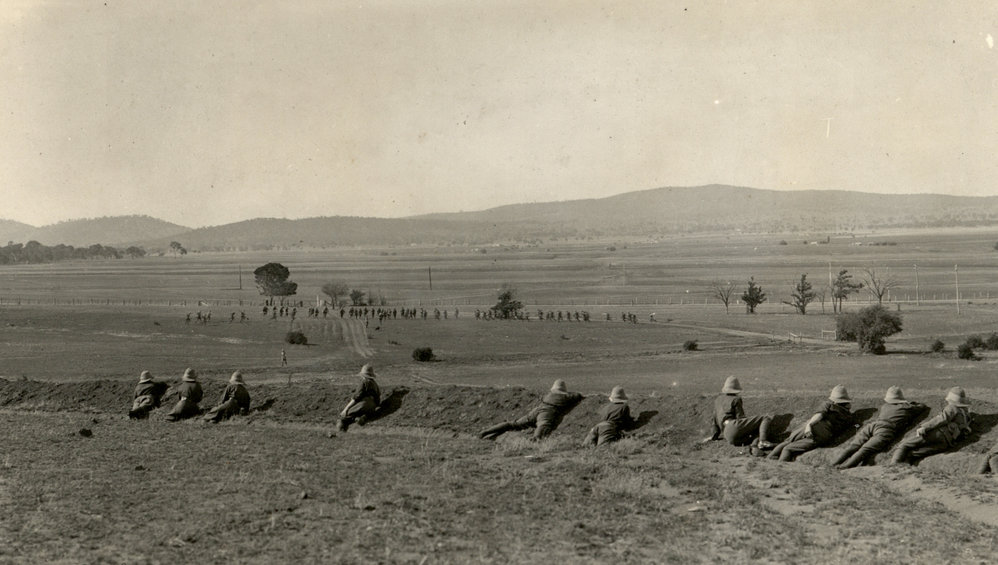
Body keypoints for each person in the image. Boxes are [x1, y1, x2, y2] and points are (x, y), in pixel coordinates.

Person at [830, 386, 926, 469]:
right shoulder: (906, 408)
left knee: (853, 445)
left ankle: (835, 463)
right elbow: (922, 406)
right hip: (886, 428)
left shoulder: (885, 406)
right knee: (866, 449)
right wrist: (910, 403)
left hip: (873, 425)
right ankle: (846, 466)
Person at [769, 385, 852, 462]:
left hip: (813, 429)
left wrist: (809, 425)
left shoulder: (828, 405)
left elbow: (819, 415)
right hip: (822, 437)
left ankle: (773, 462)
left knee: (787, 445)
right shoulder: (847, 415)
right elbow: (852, 425)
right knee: (788, 447)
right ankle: (773, 461)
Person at [479, 380, 584, 441]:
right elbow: (577, 395)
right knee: (543, 425)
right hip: (547, 412)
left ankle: (486, 432)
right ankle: (534, 440)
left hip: (537, 410)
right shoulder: (566, 397)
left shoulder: (548, 395)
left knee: (514, 424)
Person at [891, 387, 972, 466]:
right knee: (913, 454)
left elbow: (942, 419)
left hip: (939, 434)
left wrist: (925, 427)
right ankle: (906, 466)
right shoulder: (966, 415)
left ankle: (892, 467)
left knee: (904, 445)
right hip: (947, 443)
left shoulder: (952, 407)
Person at [702, 376, 774, 449]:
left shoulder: (717, 400)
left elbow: (714, 422)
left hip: (728, 437)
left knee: (754, 435)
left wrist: (714, 436)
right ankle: (763, 441)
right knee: (765, 418)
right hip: (733, 427)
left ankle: (756, 446)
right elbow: (741, 418)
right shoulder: (736, 399)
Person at [337, 364, 381, 432]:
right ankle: (361, 418)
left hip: (364, 403)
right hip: (373, 405)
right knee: (356, 413)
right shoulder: (375, 384)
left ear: (363, 375)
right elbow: (378, 399)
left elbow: (356, 397)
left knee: (343, 417)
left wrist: (345, 409)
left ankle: (341, 434)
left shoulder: (364, 382)